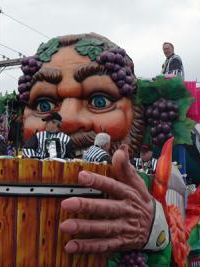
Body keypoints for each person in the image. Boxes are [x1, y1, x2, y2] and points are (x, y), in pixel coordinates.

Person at [20, 33, 169, 255]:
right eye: (44, 104)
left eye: (100, 101)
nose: (67, 120)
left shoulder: (160, 176)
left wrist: (153, 230)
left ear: (139, 112)